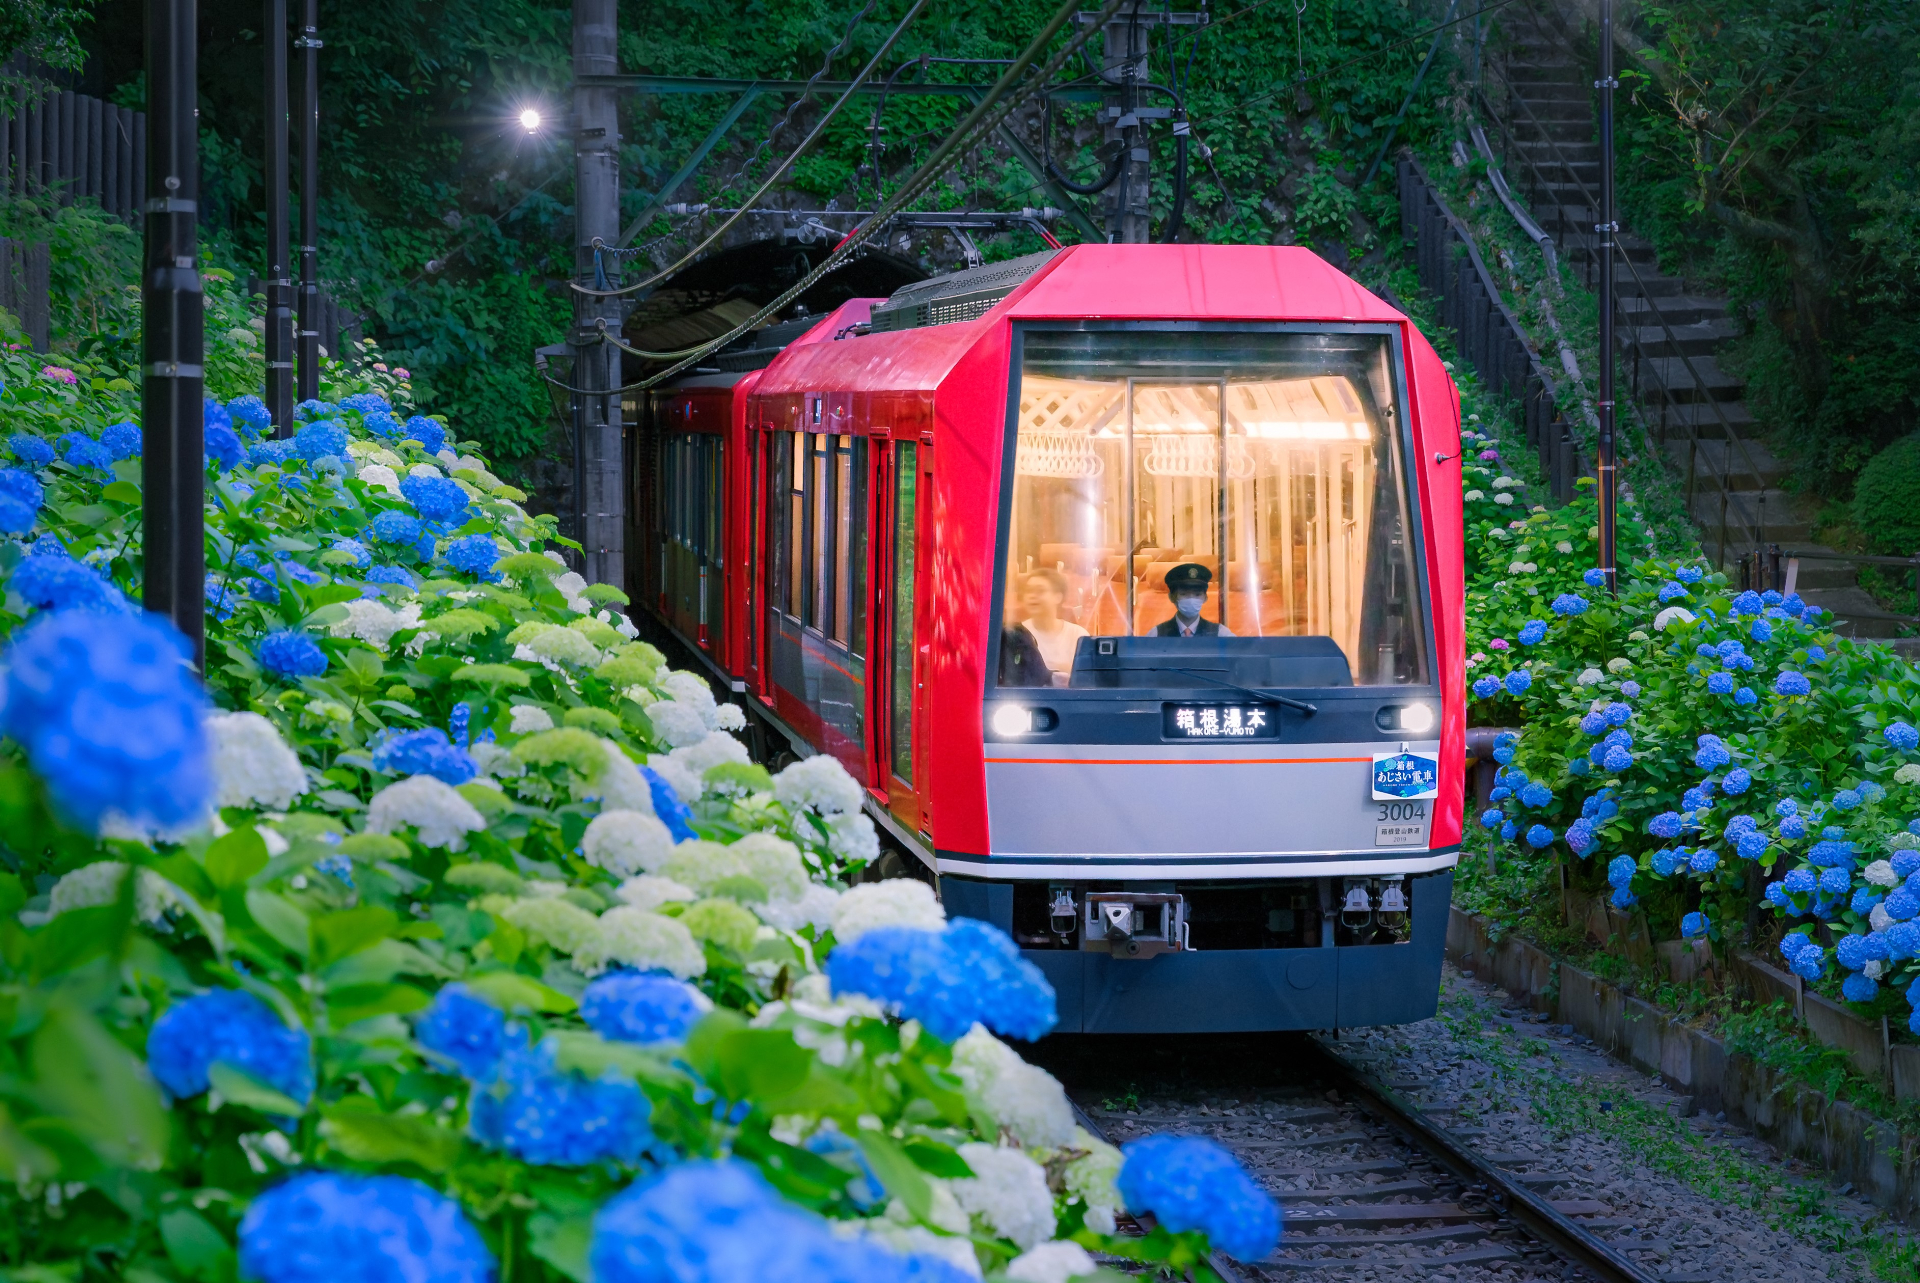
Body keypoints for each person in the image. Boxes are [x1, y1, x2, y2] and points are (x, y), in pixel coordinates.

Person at [1016, 568, 1088, 685]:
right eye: (1028, 591)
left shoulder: (1078, 635)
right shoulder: (1016, 635)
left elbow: (1087, 678)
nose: (1032, 596)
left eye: (1040, 591)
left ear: (1058, 597)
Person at [1153, 562, 1235, 637]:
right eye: (1183, 594)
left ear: (1205, 598)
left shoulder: (1220, 634)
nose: (1191, 599)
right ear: (1171, 597)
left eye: (1197, 594)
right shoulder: (1156, 634)